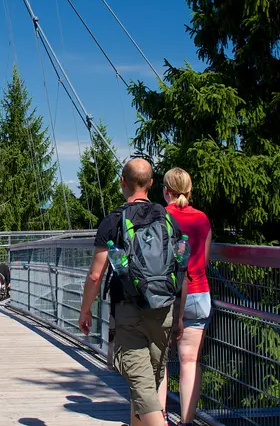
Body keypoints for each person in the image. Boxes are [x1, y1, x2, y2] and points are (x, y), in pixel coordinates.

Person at [79, 158, 186, 426]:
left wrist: (85, 311)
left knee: (143, 387)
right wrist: (179, 315)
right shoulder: (169, 220)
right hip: (164, 310)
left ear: (122, 183)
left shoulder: (112, 222)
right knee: (147, 383)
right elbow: (181, 268)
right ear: (151, 183)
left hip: (128, 310)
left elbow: (95, 275)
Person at [157, 168, 212, 426]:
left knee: (160, 360)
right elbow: (205, 260)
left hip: (169, 296)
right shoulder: (202, 219)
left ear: (165, 190)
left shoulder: (161, 218)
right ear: (189, 191)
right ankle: (186, 421)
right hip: (199, 293)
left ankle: (160, 417)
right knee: (189, 360)